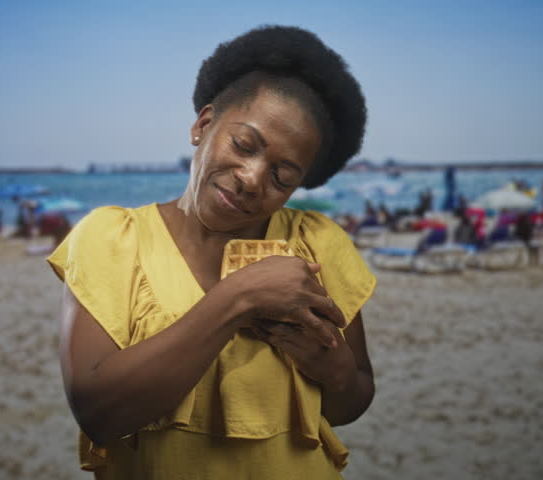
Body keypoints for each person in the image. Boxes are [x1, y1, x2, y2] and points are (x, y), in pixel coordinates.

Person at [47, 26, 375, 479]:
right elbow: (99, 414)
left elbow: (350, 403)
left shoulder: (317, 243)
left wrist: (334, 368)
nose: (252, 178)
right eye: (244, 145)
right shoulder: (110, 238)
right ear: (203, 125)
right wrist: (240, 297)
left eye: (282, 176)